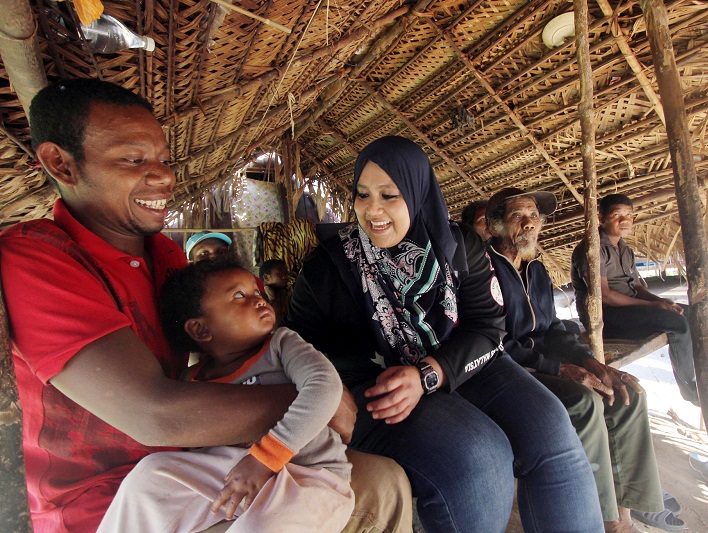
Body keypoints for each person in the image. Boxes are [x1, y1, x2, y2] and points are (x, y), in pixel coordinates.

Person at [0, 78, 411, 532]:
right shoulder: (38, 257)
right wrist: (314, 400)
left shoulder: (167, 259)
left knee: (383, 480)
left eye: (163, 159)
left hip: (202, 463)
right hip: (107, 504)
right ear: (61, 163)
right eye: (134, 159)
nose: (163, 177)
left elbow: (219, 355)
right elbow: (155, 417)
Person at [285, 136, 603, 533]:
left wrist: (429, 374)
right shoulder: (328, 268)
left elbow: (489, 327)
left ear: (418, 192)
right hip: (374, 389)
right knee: (480, 458)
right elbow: (295, 347)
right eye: (362, 194)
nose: (372, 210)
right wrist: (332, 393)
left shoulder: (458, 247)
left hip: (457, 361)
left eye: (389, 195)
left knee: (552, 427)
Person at [485, 188, 680, 533]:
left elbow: (555, 329)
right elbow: (493, 342)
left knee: (626, 395)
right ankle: (601, 518)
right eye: (518, 216)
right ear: (497, 225)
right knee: (584, 403)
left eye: (533, 216)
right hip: (508, 369)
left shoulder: (536, 271)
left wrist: (591, 362)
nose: (529, 223)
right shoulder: (484, 271)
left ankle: (625, 514)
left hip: (545, 361)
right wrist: (559, 368)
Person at [117, 257, 352, 531]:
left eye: (257, 291)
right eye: (239, 295)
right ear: (200, 329)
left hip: (311, 477)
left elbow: (325, 387)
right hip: (239, 475)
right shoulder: (192, 381)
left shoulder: (282, 345)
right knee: (149, 476)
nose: (259, 300)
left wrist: (265, 458)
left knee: (262, 526)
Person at [570, 193, 708, 424]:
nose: (624, 221)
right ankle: (696, 396)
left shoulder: (624, 249)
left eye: (628, 215)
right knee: (676, 324)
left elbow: (636, 286)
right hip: (607, 317)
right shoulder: (592, 249)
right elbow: (604, 295)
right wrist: (652, 305)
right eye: (617, 215)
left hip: (632, 310)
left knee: (698, 316)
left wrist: (663, 302)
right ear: (601, 217)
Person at [259, 258, 291, 323]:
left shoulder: (285, 291)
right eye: (279, 273)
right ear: (266, 277)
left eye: (286, 273)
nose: (284, 276)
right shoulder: (262, 297)